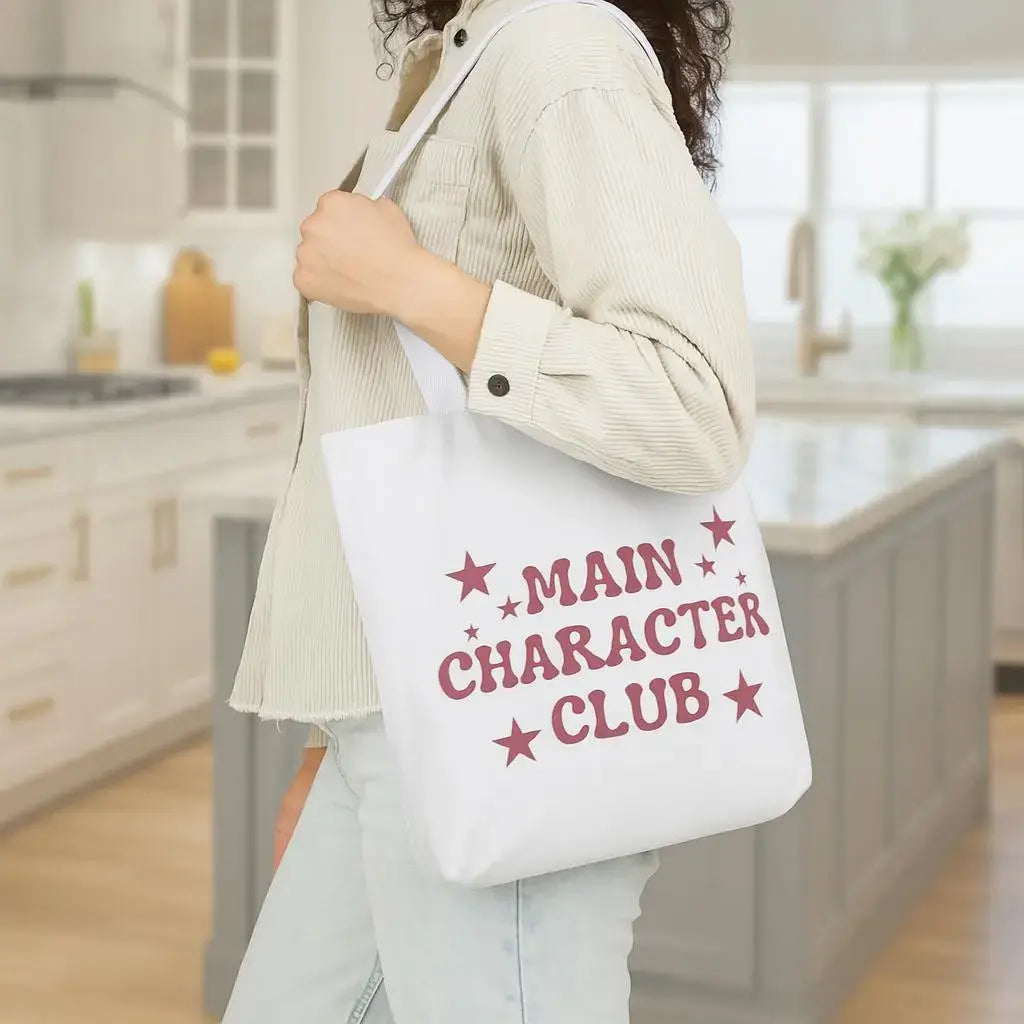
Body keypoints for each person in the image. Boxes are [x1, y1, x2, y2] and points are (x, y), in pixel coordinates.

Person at [222, 0, 753, 1020]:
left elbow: (694, 403)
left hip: (500, 726)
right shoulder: (463, 57)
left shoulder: (560, 49)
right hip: (399, 720)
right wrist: (331, 751)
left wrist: (413, 284)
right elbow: (377, 421)